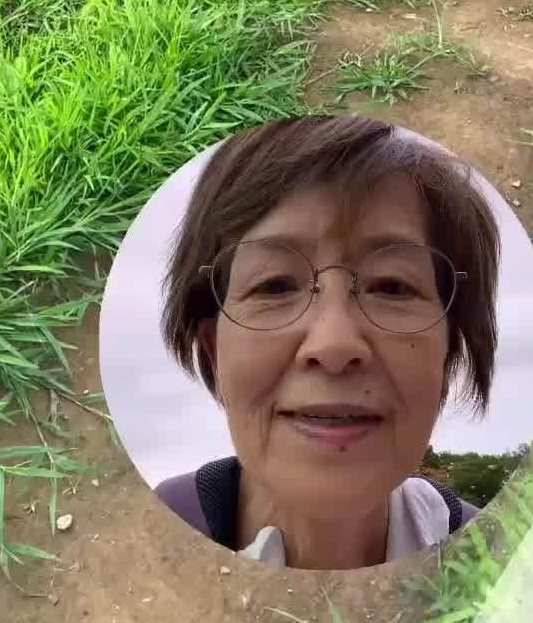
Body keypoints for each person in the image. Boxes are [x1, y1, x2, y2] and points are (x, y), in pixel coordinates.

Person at [156, 115, 501, 569]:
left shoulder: (510, 563)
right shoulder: (140, 541)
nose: (335, 345)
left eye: (393, 287)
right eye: (275, 285)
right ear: (213, 352)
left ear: (449, 355)